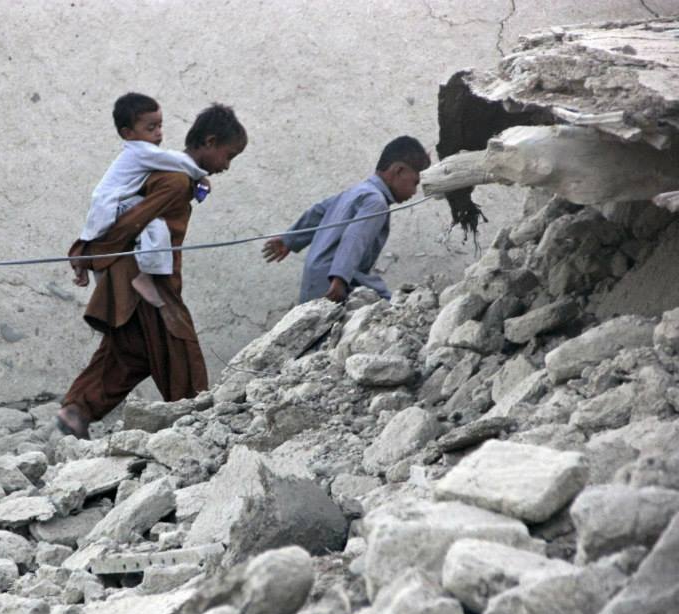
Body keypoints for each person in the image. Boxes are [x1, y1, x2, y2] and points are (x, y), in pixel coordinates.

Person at [57, 104, 247, 439]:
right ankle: (197, 425)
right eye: (228, 156)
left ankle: (77, 410)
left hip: (137, 277)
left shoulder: (177, 174)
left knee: (131, 350)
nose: (227, 166)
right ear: (210, 141)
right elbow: (132, 222)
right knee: (179, 343)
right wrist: (87, 252)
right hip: (145, 281)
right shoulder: (175, 181)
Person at [75, 92, 211, 309]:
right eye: (151, 128)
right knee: (157, 226)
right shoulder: (140, 151)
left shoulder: (138, 152)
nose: (158, 133)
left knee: (118, 249)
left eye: (160, 126)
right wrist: (201, 177)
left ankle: (86, 268)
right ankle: (145, 276)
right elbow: (175, 160)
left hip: (105, 208)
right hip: (114, 206)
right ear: (128, 133)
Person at [262, 136, 431, 303]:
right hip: (333, 284)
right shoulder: (376, 202)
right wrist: (340, 278)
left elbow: (318, 212)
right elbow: (355, 237)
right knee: (391, 307)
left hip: (315, 278)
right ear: (399, 171)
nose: (414, 192)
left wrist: (290, 239)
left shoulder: (357, 191)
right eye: (415, 183)